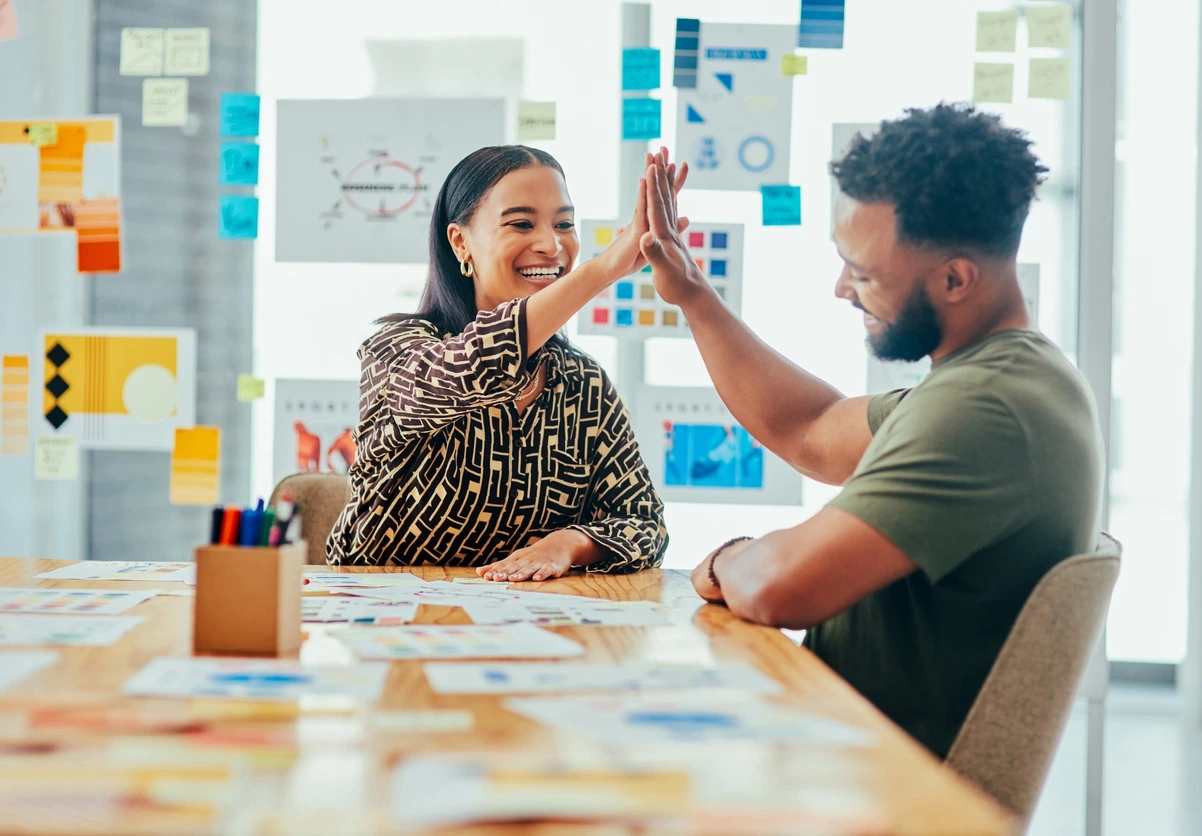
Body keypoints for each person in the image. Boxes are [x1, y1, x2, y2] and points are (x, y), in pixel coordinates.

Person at [638, 106, 1104, 759]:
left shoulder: (985, 410)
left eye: (862, 273)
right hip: (843, 749)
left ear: (955, 278)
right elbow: (813, 431)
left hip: (874, 783)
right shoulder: (1011, 376)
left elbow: (779, 589)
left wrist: (724, 559)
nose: (841, 290)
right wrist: (693, 295)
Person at [327, 146, 689, 581]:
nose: (552, 245)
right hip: (387, 620)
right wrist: (602, 270)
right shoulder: (395, 350)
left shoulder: (584, 383)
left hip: (528, 626)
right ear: (460, 242)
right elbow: (472, 365)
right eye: (521, 223)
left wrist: (571, 543)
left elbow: (644, 524)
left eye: (564, 224)